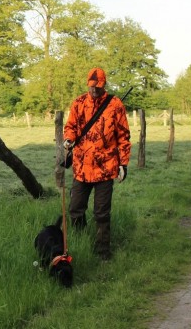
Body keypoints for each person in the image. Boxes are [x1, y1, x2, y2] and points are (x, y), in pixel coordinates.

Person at [62, 67, 131, 260]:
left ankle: (103, 253)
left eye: (97, 86)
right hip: (81, 167)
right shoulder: (79, 103)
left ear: (104, 84)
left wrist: (123, 164)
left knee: (102, 213)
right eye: (91, 86)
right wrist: (68, 138)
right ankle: (80, 243)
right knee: (75, 209)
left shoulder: (115, 104)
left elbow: (123, 136)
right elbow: (71, 126)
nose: (94, 90)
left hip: (106, 167)